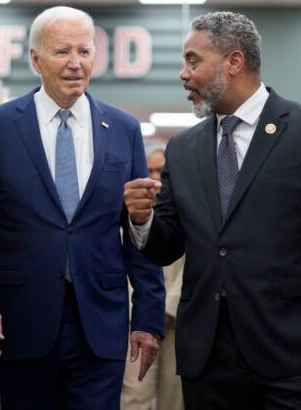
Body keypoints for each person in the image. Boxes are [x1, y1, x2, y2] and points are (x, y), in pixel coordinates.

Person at [123, 11, 301, 409]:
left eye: (193, 60)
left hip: (292, 356)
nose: (184, 74)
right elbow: (167, 246)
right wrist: (142, 219)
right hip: (208, 358)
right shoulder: (183, 149)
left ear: (234, 62)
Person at [0, 6, 166, 409]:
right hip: (20, 322)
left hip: (100, 322)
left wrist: (148, 318)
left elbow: (138, 232)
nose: (75, 64)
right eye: (62, 51)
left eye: (84, 52)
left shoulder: (122, 130)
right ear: (35, 59)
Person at [122, 149, 185, 410]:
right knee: (135, 393)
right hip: (137, 318)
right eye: (149, 171)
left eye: (160, 171)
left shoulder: (184, 208)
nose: (154, 177)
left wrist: (168, 308)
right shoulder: (126, 211)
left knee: (174, 394)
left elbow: (194, 263)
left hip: (177, 319)